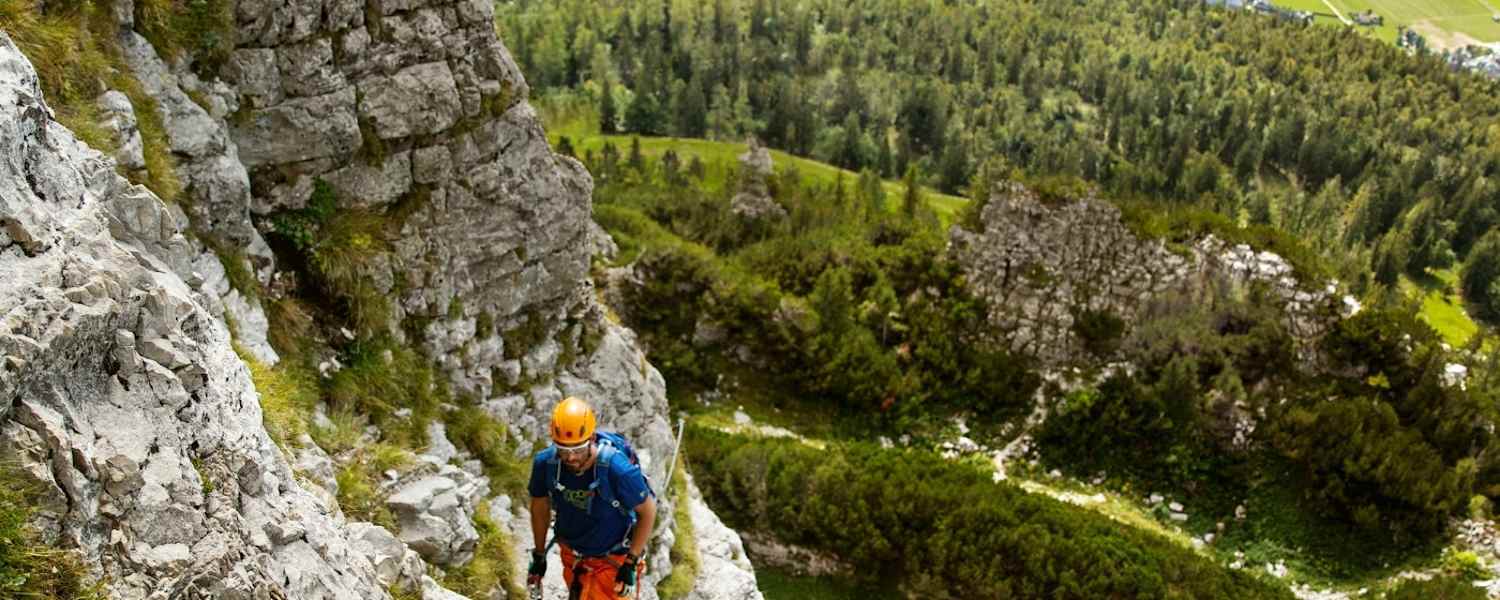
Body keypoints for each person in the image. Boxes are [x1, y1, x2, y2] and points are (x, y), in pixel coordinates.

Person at [527, 397, 657, 600]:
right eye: (563, 449)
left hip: (614, 560)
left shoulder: (618, 470)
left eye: (578, 449)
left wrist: (630, 563)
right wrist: (539, 554)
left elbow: (647, 511)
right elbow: (539, 507)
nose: (570, 458)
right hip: (573, 555)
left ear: (592, 439)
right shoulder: (546, 464)